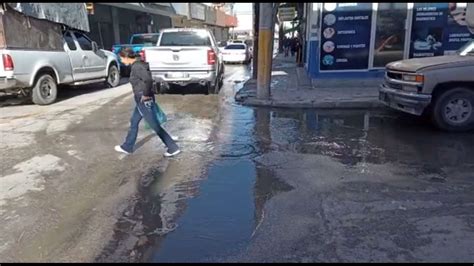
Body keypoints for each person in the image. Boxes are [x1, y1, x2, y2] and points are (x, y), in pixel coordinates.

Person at [115, 50, 181, 157]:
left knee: (154, 125)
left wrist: (145, 94)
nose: (121, 61)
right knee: (134, 121)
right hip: (142, 99)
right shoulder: (138, 64)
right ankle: (127, 146)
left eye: (121, 58)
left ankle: (172, 147)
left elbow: (148, 80)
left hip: (143, 99)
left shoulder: (137, 66)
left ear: (126, 57)